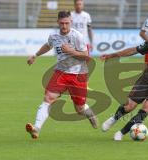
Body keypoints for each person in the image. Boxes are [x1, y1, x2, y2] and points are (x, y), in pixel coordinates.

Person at [25, 11, 98, 139]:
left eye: (67, 23)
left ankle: (90, 114)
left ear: (71, 22)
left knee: (79, 109)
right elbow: (48, 45)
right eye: (62, 23)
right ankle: (36, 128)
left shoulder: (77, 36)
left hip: (78, 74)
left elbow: (86, 56)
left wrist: (71, 51)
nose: (64, 26)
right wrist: (35, 55)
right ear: (58, 22)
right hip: (60, 73)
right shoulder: (54, 36)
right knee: (48, 98)